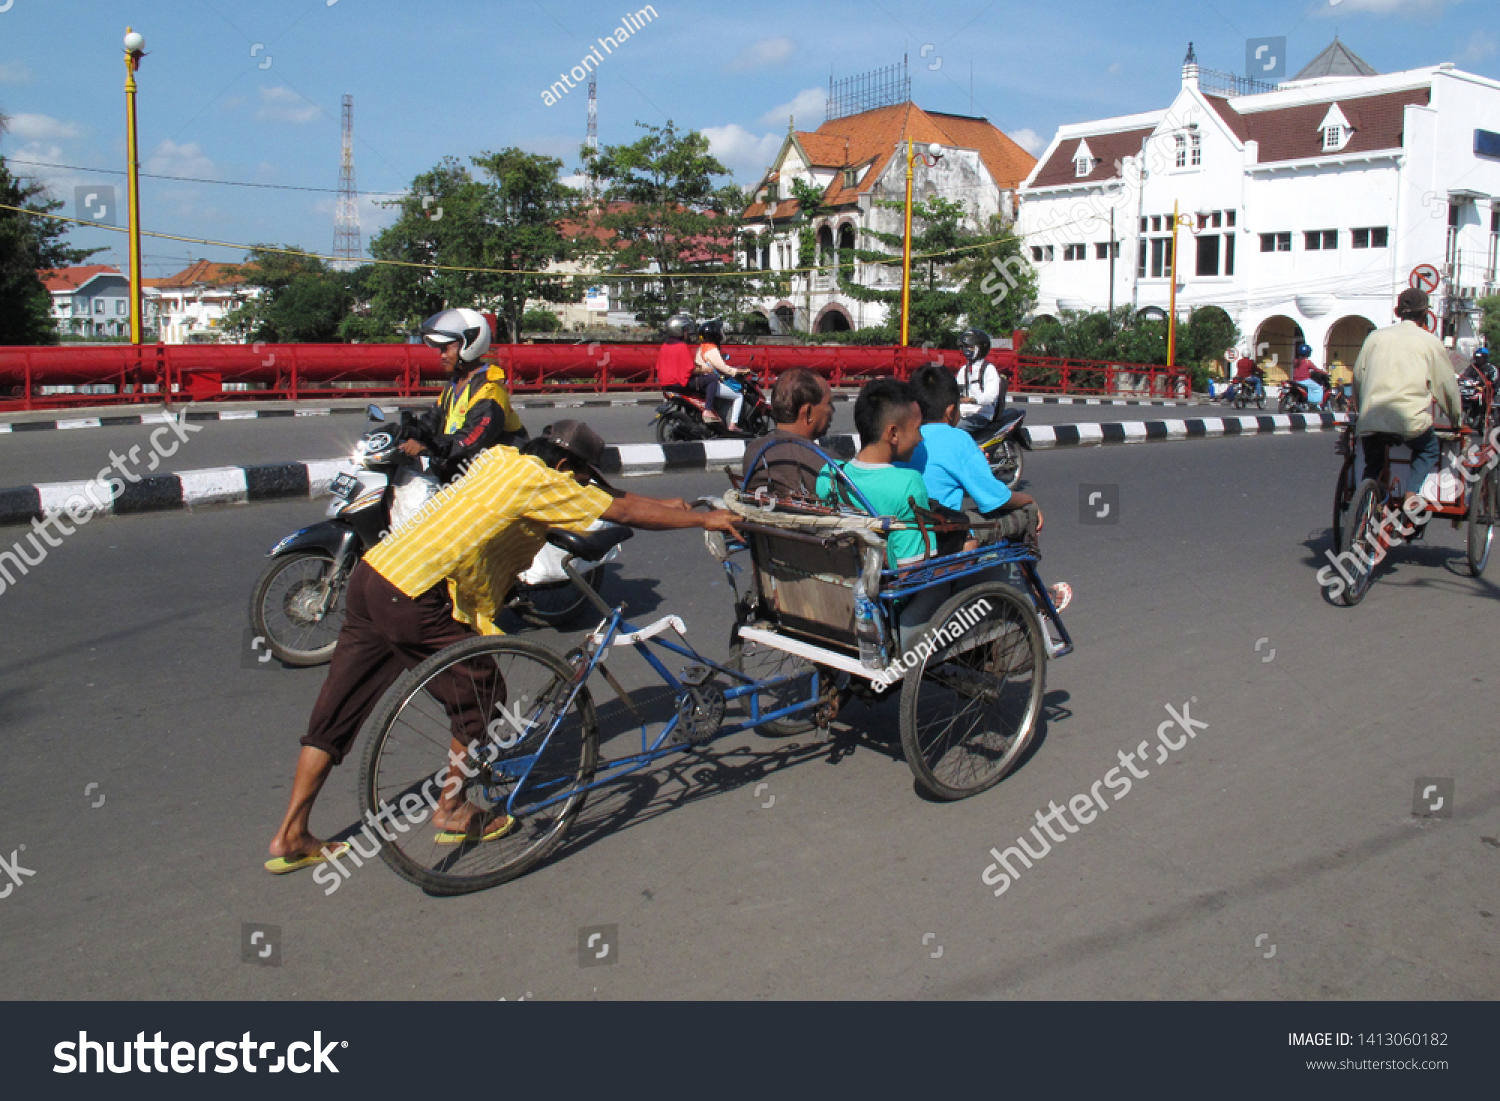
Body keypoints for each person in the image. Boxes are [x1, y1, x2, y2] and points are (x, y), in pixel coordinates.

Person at [265, 420, 742, 875]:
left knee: (339, 707)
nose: (581, 486)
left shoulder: (503, 458)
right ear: (565, 470)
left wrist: (674, 505)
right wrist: (706, 519)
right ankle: (452, 808)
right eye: (579, 477)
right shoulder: (545, 482)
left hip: (376, 576)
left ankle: (291, 834)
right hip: (418, 592)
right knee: (481, 689)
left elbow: (609, 497)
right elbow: (615, 509)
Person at [904, 364, 1072, 608]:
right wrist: (1028, 500)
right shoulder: (958, 439)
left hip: (910, 529)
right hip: (943, 535)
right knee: (1025, 514)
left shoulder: (904, 437)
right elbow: (995, 498)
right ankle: (1036, 596)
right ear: (951, 410)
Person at [1351, 288, 1463, 508]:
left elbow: (1357, 377)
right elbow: (1446, 387)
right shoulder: (1430, 342)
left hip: (1371, 419)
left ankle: (1364, 503)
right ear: (1425, 315)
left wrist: (1361, 408)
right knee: (1428, 449)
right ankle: (1411, 493)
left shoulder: (1374, 337)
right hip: (1410, 423)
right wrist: (1456, 420)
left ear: (1397, 311)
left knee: (1372, 465)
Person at [400, 309, 527, 483]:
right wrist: (404, 431)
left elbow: (471, 440)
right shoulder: (456, 383)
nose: (442, 355)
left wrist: (428, 446)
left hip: (491, 479)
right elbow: (432, 420)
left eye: (446, 348)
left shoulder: (490, 389)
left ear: (470, 343)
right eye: (440, 350)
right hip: (460, 471)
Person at [740, 368, 835, 497]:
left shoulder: (753, 450)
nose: (832, 410)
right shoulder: (827, 463)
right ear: (807, 412)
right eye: (829, 403)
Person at [655, 313, 722, 425]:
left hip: (666, 383)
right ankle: (708, 410)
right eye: (685, 330)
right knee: (711, 379)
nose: (687, 333)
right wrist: (705, 370)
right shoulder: (681, 346)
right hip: (679, 383)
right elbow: (690, 369)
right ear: (678, 331)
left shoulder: (664, 346)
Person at [696, 318, 752, 431]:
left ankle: (722, 422)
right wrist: (739, 371)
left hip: (703, 380)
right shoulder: (711, 349)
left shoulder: (701, 348)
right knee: (738, 395)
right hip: (711, 382)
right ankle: (733, 425)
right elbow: (723, 367)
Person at [955, 327, 1008, 435]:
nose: (966, 350)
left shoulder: (989, 369)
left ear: (980, 349)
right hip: (963, 413)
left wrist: (971, 399)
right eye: (964, 347)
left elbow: (991, 397)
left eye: (970, 347)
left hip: (982, 415)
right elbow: (955, 391)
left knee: (957, 430)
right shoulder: (963, 370)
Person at [1290, 343, 1324, 408]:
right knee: (1318, 388)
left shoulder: (1295, 361)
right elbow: (1316, 369)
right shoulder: (1308, 362)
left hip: (1296, 380)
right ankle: (1316, 404)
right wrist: (1325, 372)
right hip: (1305, 380)